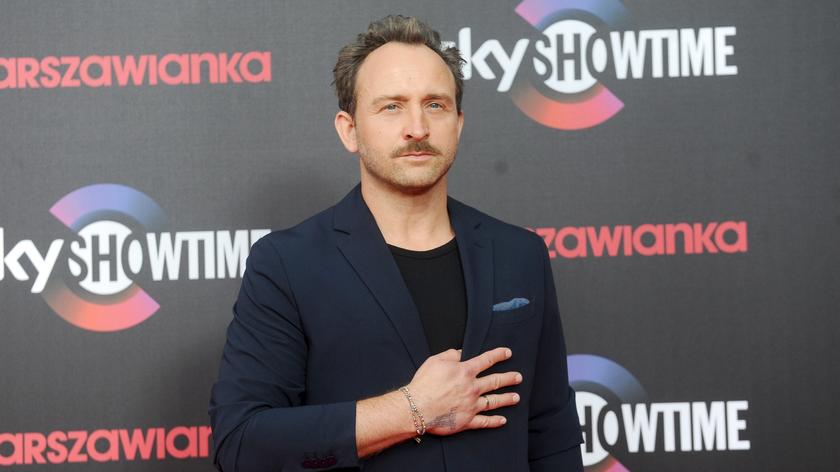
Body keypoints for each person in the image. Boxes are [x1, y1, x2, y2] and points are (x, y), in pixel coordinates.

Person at [209, 15, 583, 472]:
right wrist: (412, 410)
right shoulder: (288, 263)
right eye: (392, 107)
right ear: (349, 130)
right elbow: (243, 443)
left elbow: (552, 436)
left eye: (435, 105)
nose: (417, 128)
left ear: (458, 123)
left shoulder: (520, 254)